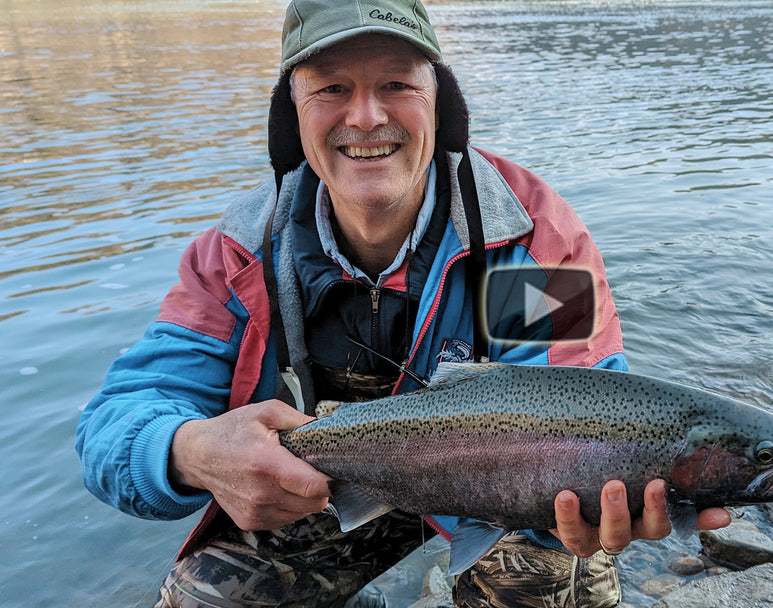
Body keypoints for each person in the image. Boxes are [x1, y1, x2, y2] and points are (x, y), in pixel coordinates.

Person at [76, 0, 730, 606]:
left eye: (397, 84)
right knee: (204, 597)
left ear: (440, 103)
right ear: (293, 112)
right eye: (332, 88)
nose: (366, 116)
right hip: (325, 494)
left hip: (503, 497)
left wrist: (595, 504)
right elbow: (116, 422)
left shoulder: (529, 240)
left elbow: (585, 401)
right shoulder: (237, 255)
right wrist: (190, 450)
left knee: (557, 579)